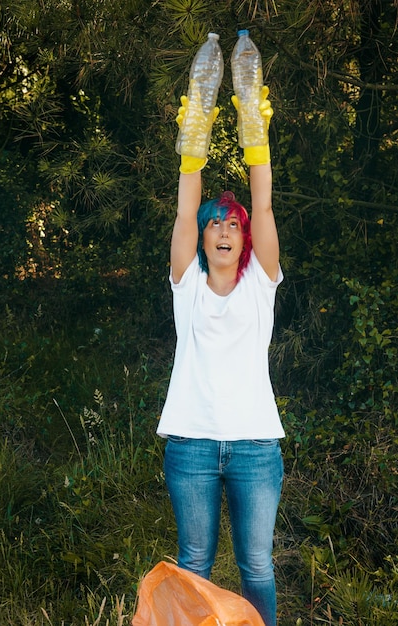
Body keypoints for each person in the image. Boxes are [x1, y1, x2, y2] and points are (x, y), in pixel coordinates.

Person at [156, 81, 284, 626]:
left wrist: (257, 139)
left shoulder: (262, 282)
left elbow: (263, 202)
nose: (224, 229)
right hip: (192, 444)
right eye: (216, 224)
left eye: (233, 224)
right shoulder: (187, 283)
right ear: (205, 241)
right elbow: (184, 213)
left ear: (244, 238)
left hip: (256, 446)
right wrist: (193, 146)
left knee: (257, 566)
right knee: (195, 564)